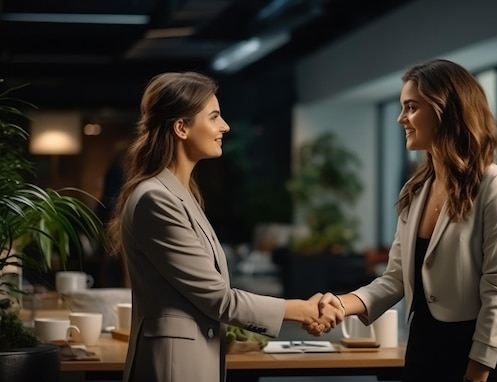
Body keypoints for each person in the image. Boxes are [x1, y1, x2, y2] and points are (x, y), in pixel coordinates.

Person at [107, 71, 340, 382]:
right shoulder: (157, 200)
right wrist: (300, 309)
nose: (225, 126)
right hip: (173, 366)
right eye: (214, 116)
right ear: (181, 128)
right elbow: (217, 298)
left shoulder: (179, 194)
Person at [312, 59, 497, 382]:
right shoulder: (416, 190)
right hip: (423, 350)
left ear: (445, 111)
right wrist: (340, 304)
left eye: (411, 108)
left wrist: (478, 371)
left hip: (480, 357)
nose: (401, 119)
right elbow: (393, 280)